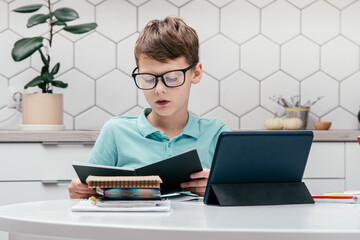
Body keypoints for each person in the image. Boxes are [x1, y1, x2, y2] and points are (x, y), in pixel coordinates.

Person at [68, 16, 230, 199]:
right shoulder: (115, 132)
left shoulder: (217, 135)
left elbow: (243, 198)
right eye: (148, 78)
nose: (159, 89)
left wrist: (219, 188)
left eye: (172, 77)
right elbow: (87, 196)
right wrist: (78, 192)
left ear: (196, 73)